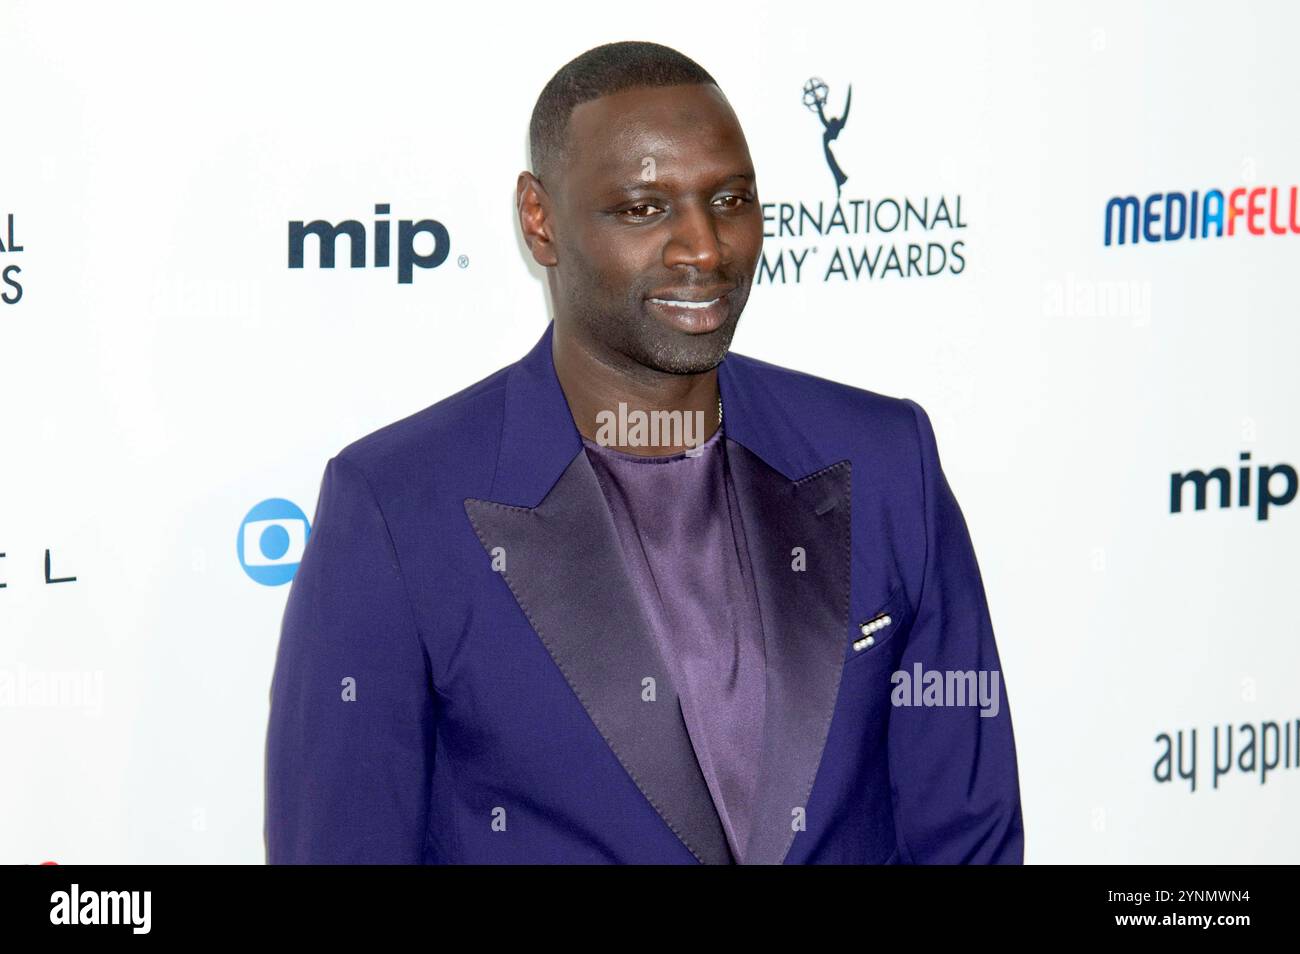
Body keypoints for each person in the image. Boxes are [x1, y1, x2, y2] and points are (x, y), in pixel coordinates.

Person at [264, 40, 1024, 864]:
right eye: (643, 209)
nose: (704, 248)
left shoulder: (885, 460)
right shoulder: (397, 507)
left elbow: (969, 838)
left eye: (729, 199)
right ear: (539, 219)